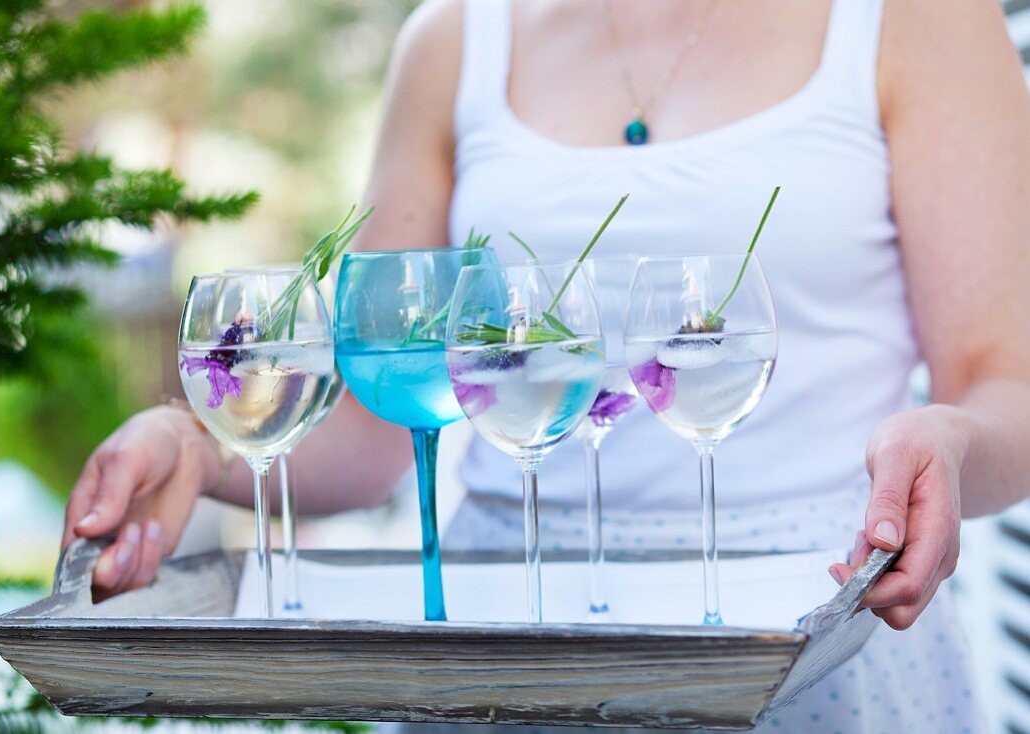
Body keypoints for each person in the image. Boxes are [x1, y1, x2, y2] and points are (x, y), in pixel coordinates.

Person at [61, 0, 1030, 730]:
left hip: (813, 636)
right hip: (508, 645)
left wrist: (944, 441)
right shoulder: (451, 41)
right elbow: (380, 420)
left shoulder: (915, 18)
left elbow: (1006, 385)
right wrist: (197, 438)